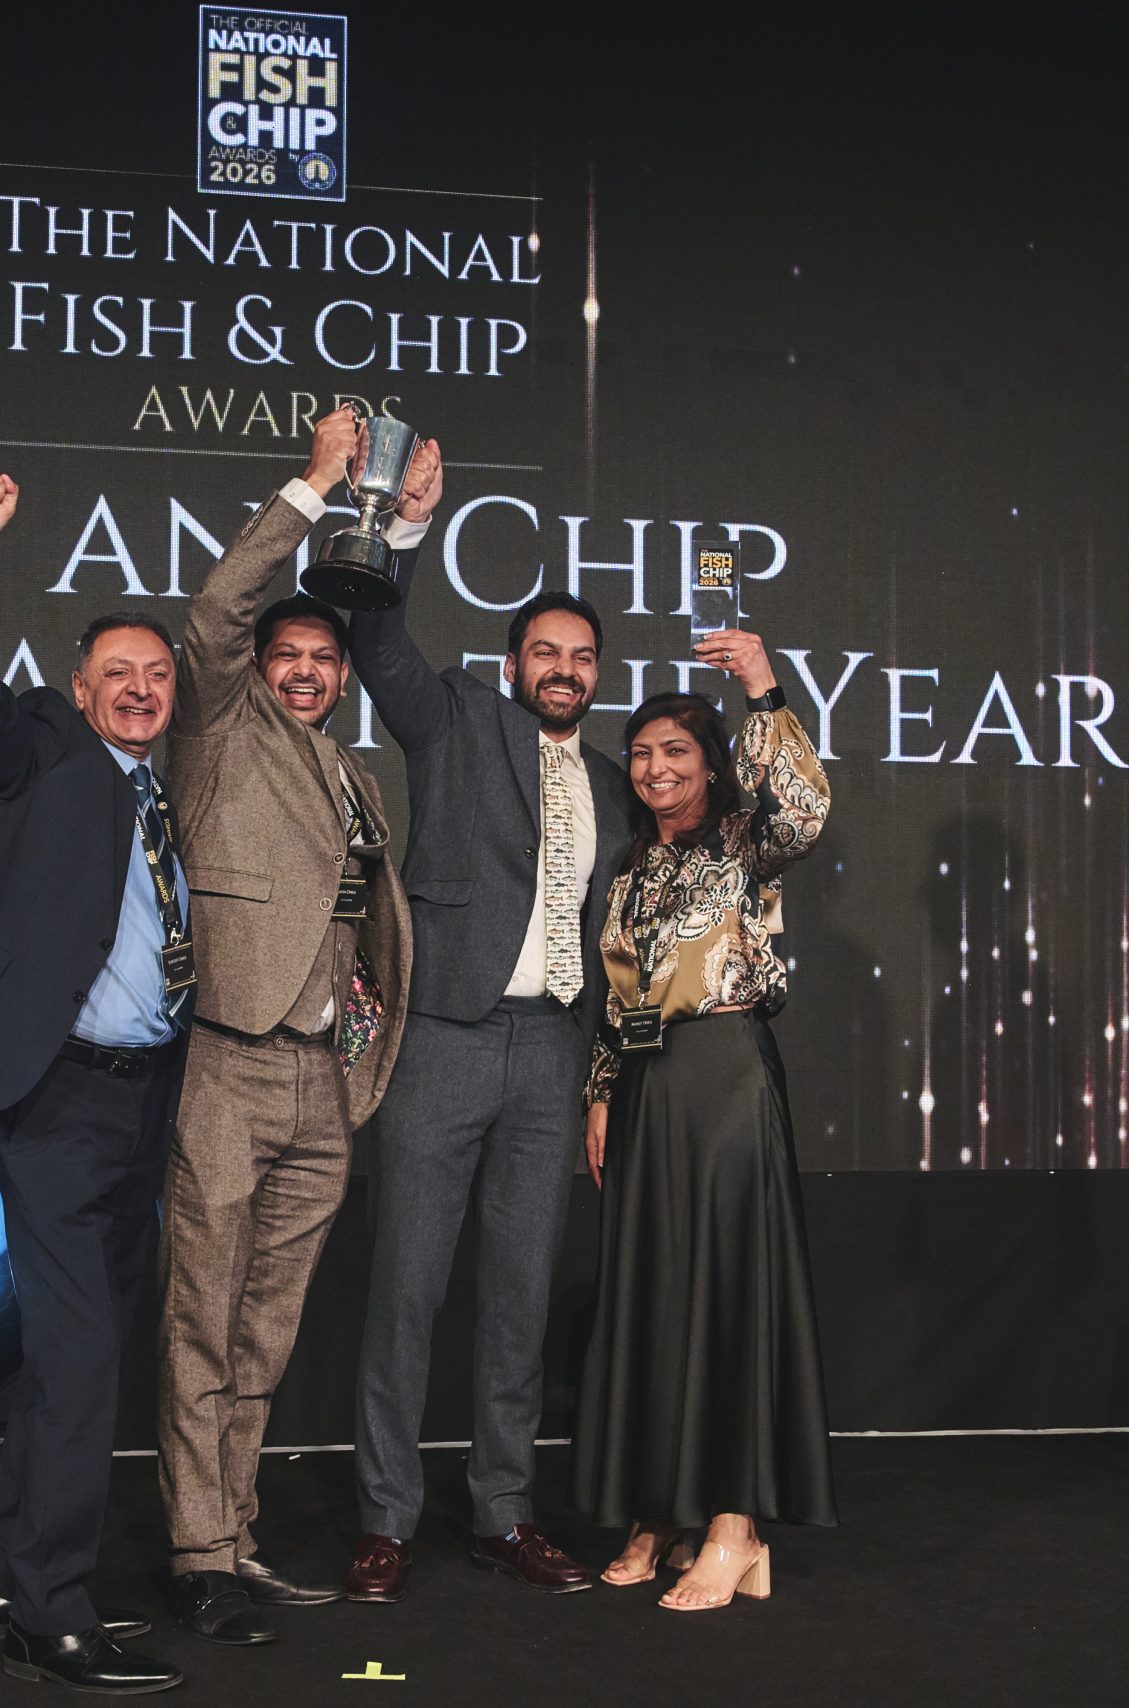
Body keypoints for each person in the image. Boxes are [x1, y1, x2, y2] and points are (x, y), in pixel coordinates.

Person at [341, 484, 637, 1603]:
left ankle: (503, 1511)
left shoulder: (612, 785)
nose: (563, 668)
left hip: (552, 1049)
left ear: (595, 675)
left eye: (581, 656)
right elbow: (377, 641)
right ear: (512, 664)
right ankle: (385, 1518)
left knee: (518, 1296)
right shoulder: (456, 716)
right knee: (406, 1291)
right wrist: (404, 529)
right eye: (544, 652)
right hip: (445, 1040)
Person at [0, 474, 190, 1695]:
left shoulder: (162, 792)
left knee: (69, 1357)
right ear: (79, 688)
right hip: (52, 1097)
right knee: (82, 1363)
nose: (138, 688)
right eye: (116, 672)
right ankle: (51, 1613)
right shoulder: (41, 745)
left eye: (156, 674)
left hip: (140, 1099)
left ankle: (5, 1576)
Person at [154, 409, 416, 1646]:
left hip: (323, 1083)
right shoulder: (217, 728)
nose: (307, 670)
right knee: (201, 1320)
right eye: (289, 654)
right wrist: (315, 487)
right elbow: (215, 613)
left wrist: (358, 1065)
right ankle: (194, 1551)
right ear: (258, 667)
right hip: (228, 1061)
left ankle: (236, 1532)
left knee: (265, 1331)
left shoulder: (353, 773)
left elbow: (361, 930)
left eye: (324, 657)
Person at [574, 657, 837, 1613]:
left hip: (725, 1074)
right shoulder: (630, 866)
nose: (656, 768)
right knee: (657, 1293)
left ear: (712, 763)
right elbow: (617, 996)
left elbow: (804, 811)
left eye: (676, 750)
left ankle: (735, 1523)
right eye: (642, 752)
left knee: (728, 1289)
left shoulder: (743, 842)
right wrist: (602, 1093)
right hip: (647, 1088)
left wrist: (764, 688)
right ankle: (664, 1508)